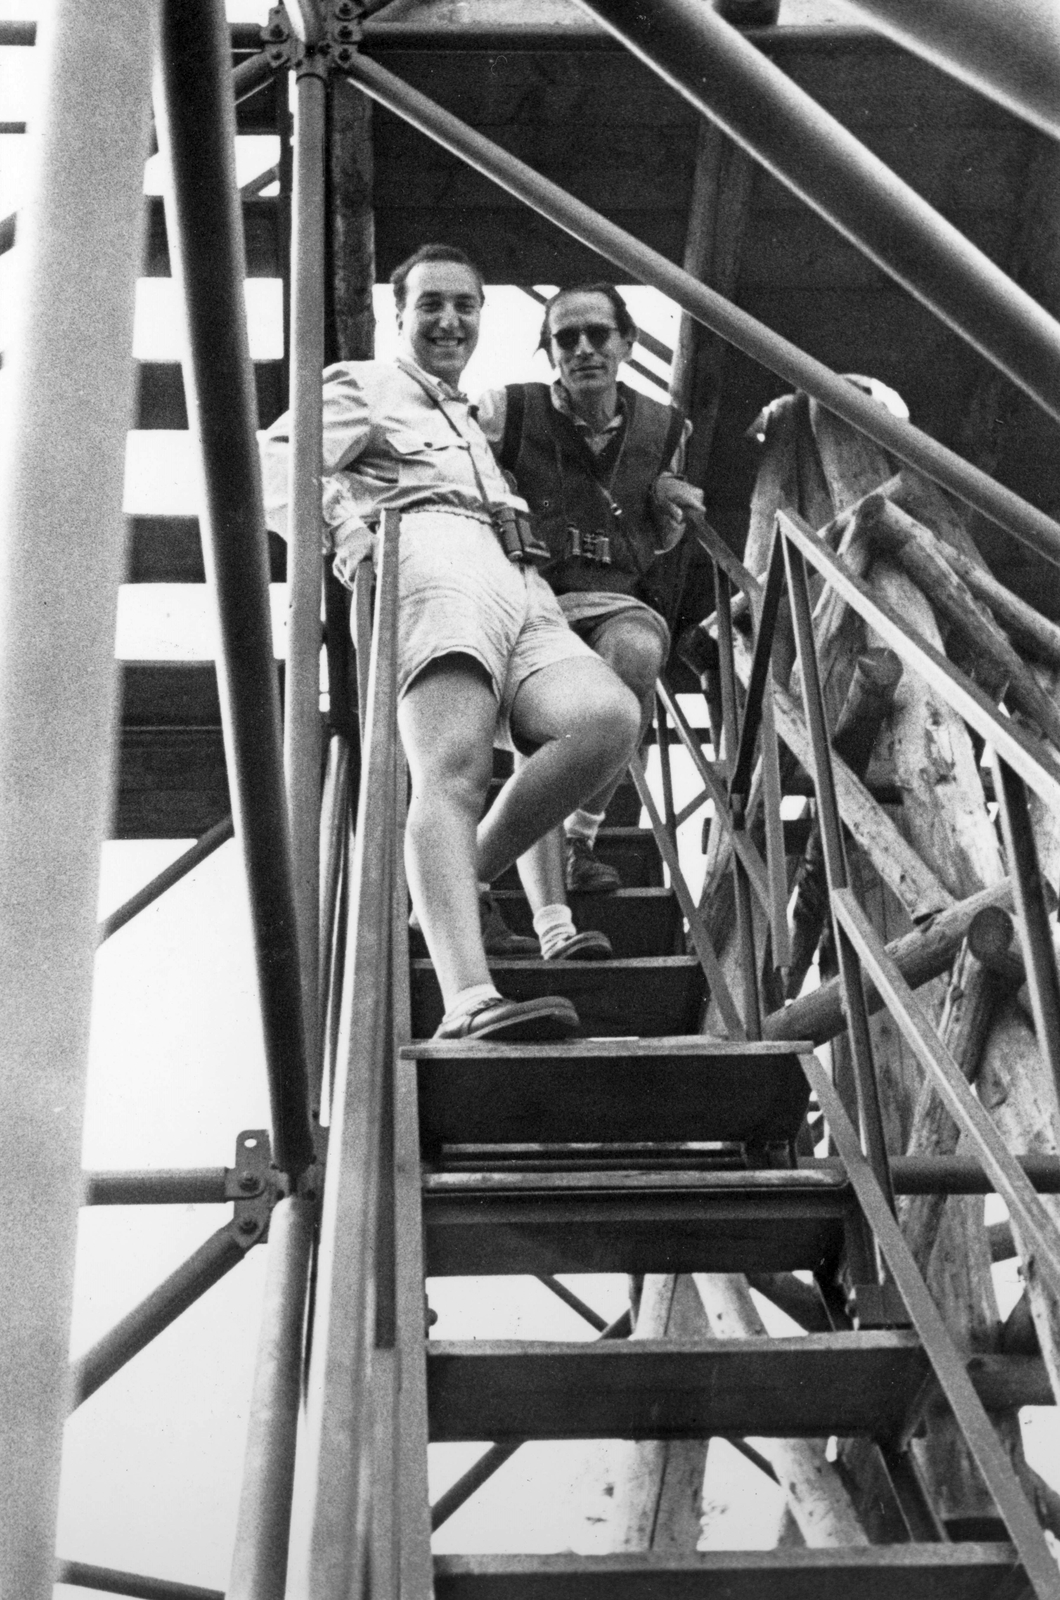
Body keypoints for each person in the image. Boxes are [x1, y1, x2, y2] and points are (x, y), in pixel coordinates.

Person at [260, 246, 641, 1041]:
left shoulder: (468, 415)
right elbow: (272, 459)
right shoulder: (363, 385)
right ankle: (470, 1000)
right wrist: (345, 533)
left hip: (518, 580)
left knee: (607, 719)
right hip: (429, 556)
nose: (448, 321)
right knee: (456, 767)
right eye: (430, 304)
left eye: (465, 306)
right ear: (399, 315)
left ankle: (452, 878)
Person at [478, 282, 705, 893]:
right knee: (560, 719)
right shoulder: (507, 409)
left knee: (635, 656)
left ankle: (580, 839)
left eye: (598, 335)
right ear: (549, 351)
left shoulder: (665, 428)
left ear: (626, 343)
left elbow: (654, 541)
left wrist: (668, 513)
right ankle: (510, 885)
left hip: (612, 600)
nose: (583, 349)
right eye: (565, 338)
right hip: (529, 602)